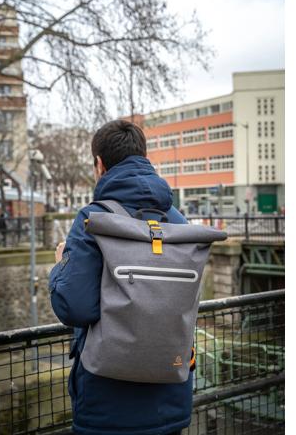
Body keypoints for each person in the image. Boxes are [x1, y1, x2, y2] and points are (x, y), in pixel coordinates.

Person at [49, 120, 191, 435]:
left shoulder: (93, 219)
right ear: (144, 156)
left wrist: (60, 267)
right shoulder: (179, 222)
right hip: (171, 396)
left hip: (108, 402)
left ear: (100, 164)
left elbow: (74, 307)